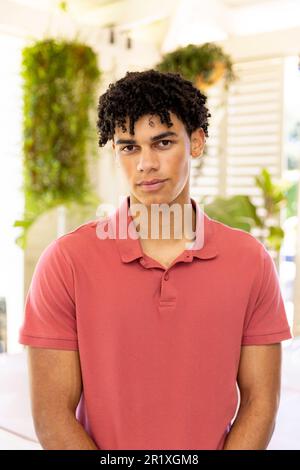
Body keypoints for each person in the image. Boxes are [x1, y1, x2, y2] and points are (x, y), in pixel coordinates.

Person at [19, 69, 292, 450]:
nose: (145, 163)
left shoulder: (250, 261)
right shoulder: (66, 261)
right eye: (129, 146)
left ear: (196, 142)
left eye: (162, 142)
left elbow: (261, 401)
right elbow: (52, 413)